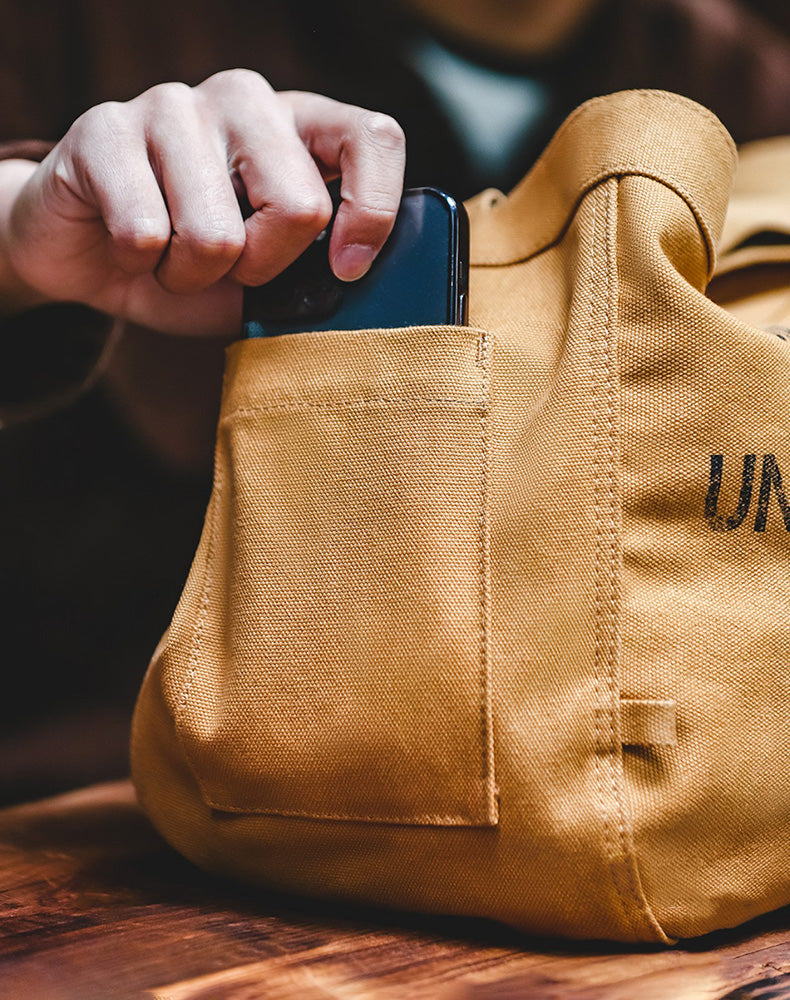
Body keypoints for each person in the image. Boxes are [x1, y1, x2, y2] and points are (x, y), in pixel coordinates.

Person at [3, 0, 790, 802]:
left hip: (639, 788)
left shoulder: (750, 86)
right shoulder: (78, 28)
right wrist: (15, 234)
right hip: (99, 798)